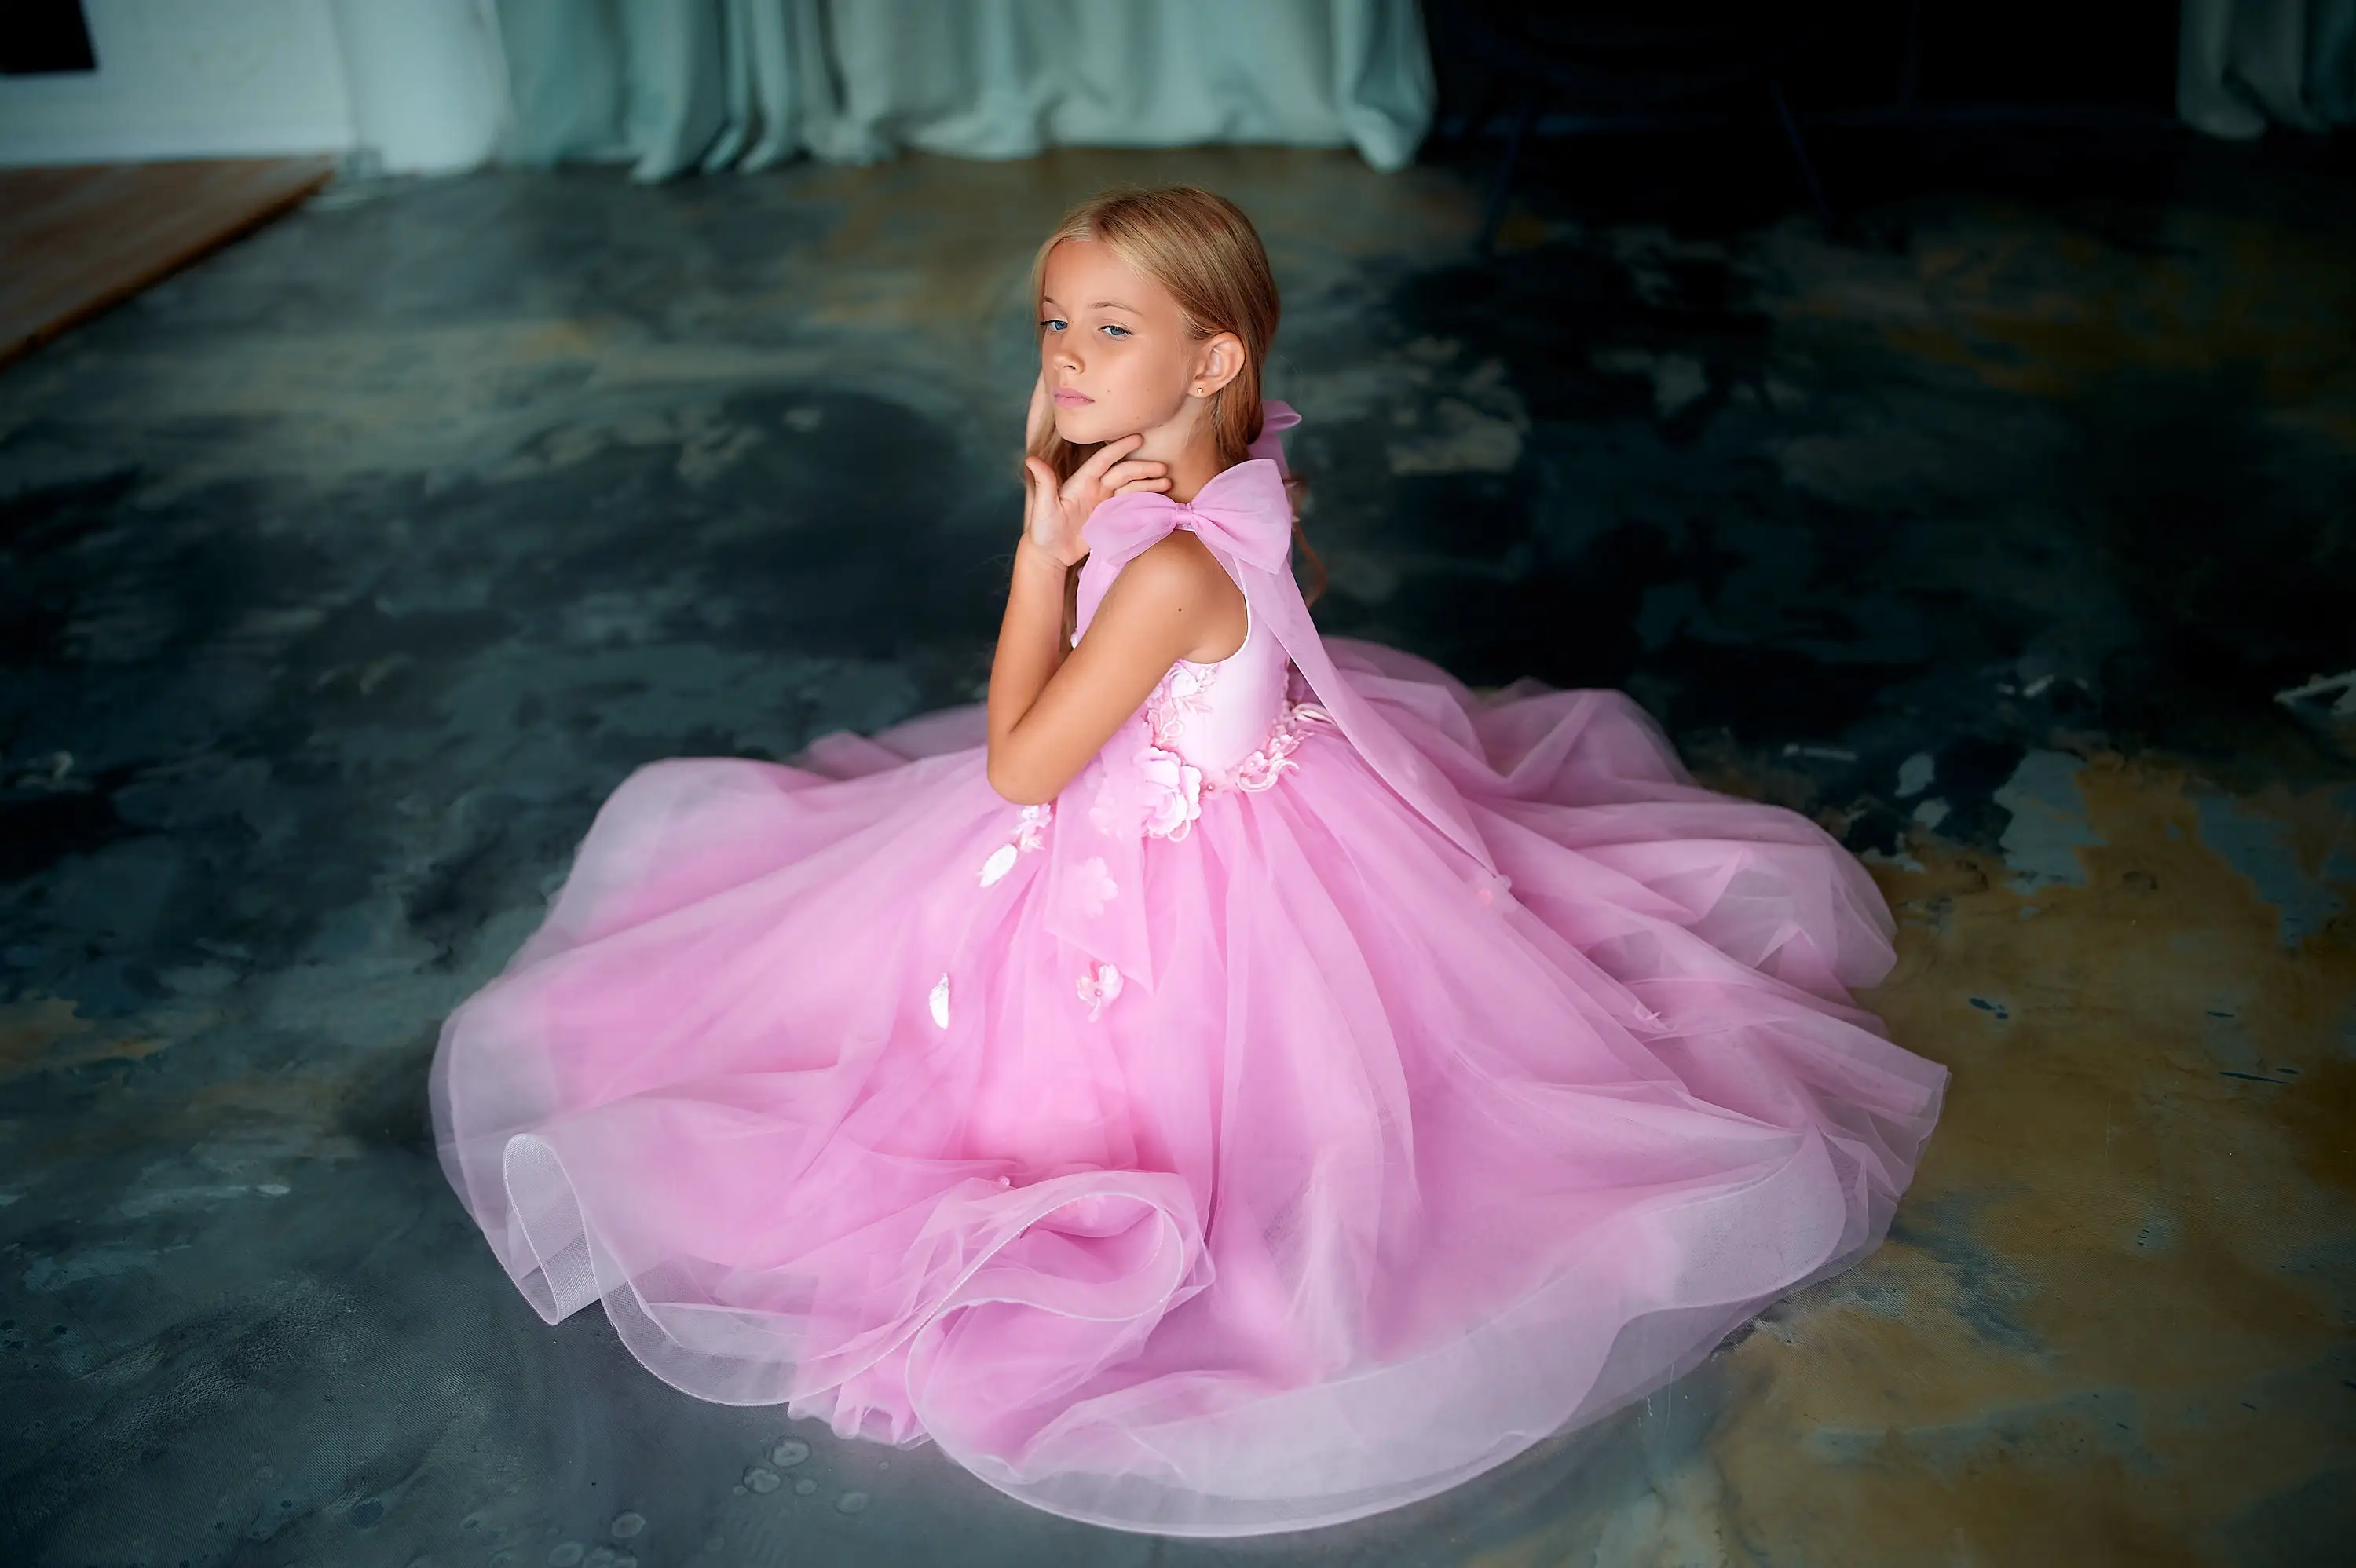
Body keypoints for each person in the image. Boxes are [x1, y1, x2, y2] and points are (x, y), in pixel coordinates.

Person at [428, 185, 1948, 1538]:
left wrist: (1040, 550)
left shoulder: (1158, 560)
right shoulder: (1225, 481)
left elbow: (1023, 762)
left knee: (1004, 1076)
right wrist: (1075, 538)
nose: (1064, 358)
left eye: (1109, 328)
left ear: (1212, 361)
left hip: (1176, 876)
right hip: (1218, 784)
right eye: (1052, 324)